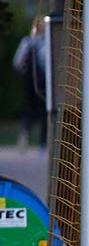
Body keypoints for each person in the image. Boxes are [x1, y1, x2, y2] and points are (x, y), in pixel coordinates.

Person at [11, 15, 50, 148]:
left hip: (29, 80)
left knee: (32, 109)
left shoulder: (27, 42)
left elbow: (17, 63)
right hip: (42, 81)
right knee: (44, 109)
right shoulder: (45, 43)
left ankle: (27, 134)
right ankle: (42, 141)